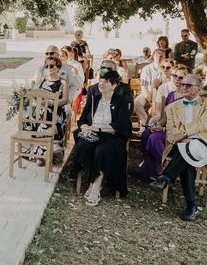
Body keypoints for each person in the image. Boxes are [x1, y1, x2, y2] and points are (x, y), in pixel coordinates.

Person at [149, 74, 206, 221]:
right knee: (185, 154)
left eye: (188, 85)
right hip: (179, 144)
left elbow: (204, 125)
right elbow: (171, 130)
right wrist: (181, 138)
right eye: (182, 85)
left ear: (198, 89)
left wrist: (185, 134)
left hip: (202, 145)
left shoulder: (206, 104)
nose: (183, 87)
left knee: (187, 153)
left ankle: (166, 178)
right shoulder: (172, 107)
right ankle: (191, 206)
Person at [72, 69, 131, 205]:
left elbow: (121, 125)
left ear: (114, 85)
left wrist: (98, 128)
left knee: (102, 150)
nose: (101, 84)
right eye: (101, 80)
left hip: (112, 136)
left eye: (106, 81)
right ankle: (91, 181)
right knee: (84, 145)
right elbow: (82, 120)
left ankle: (95, 187)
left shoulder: (121, 101)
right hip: (93, 134)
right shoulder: (94, 99)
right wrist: (86, 128)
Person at [136, 66, 187, 180]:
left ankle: (162, 168)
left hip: (177, 131)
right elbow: (166, 116)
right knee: (146, 134)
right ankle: (149, 166)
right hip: (166, 126)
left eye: (181, 77)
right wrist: (158, 125)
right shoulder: (171, 94)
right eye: (175, 76)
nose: (177, 79)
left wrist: (163, 129)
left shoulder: (187, 98)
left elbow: (183, 123)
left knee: (154, 138)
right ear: (171, 76)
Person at [27, 57, 69, 166]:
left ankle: (42, 153)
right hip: (41, 110)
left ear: (58, 67)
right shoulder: (42, 80)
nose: (49, 68)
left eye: (52, 66)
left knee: (48, 113)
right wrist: (39, 101)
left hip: (57, 109)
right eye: (47, 66)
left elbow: (65, 100)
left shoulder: (63, 82)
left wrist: (50, 103)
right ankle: (50, 149)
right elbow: (33, 95)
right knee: (35, 114)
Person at [134, 48, 165, 125]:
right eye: (157, 55)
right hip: (147, 94)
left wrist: (155, 103)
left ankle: (159, 125)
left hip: (162, 96)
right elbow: (144, 86)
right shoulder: (146, 69)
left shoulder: (166, 69)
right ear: (153, 56)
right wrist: (151, 101)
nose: (159, 57)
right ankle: (146, 124)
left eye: (162, 56)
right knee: (136, 103)